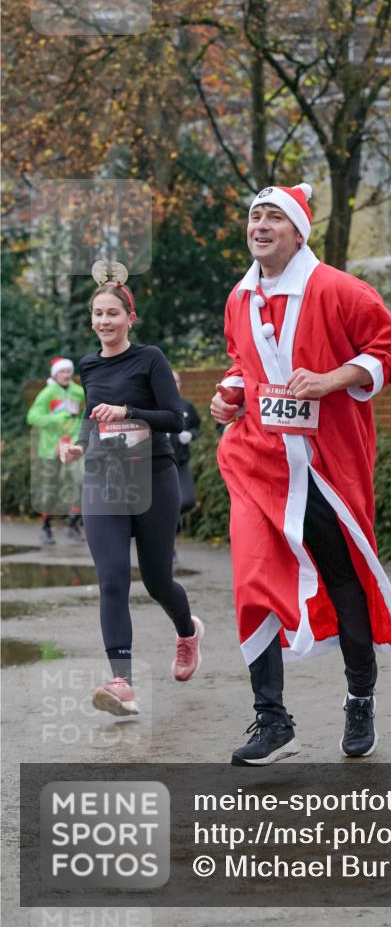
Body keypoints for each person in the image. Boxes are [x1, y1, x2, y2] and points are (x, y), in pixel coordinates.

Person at [210, 181, 391, 766]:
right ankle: (273, 720)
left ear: (299, 233)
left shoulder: (340, 289)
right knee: (252, 581)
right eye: (255, 215)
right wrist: (229, 395)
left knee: (344, 578)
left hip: (327, 465)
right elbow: (243, 362)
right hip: (258, 463)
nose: (260, 225)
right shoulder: (239, 298)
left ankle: (360, 699)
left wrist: (332, 380)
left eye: (273, 217)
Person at [60, 270, 204, 717]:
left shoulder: (150, 359)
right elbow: (91, 416)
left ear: (129, 318)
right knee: (113, 580)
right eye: (98, 314)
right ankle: (121, 682)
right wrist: (78, 445)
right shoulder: (89, 365)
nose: (104, 321)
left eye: (112, 313)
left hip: (154, 475)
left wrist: (128, 411)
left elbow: (176, 418)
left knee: (157, 580)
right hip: (104, 478)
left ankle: (187, 632)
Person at [26, 357, 85, 544]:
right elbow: (32, 417)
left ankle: (73, 525)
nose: (66, 375)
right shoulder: (47, 393)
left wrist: (80, 434)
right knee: (50, 488)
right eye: (62, 372)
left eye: (68, 371)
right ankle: (46, 527)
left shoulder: (79, 392)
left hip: (72, 445)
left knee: (79, 481)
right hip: (51, 447)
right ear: (55, 374)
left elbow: (85, 416)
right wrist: (57, 418)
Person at [170, 371, 202, 549]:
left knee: (187, 501)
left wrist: (191, 434)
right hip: (161, 466)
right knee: (166, 504)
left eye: (176, 381)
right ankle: (169, 547)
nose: (174, 384)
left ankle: (172, 525)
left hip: (181, 463)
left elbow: (197, 427)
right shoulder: (155, 406)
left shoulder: (187, 407)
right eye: (170, 381)